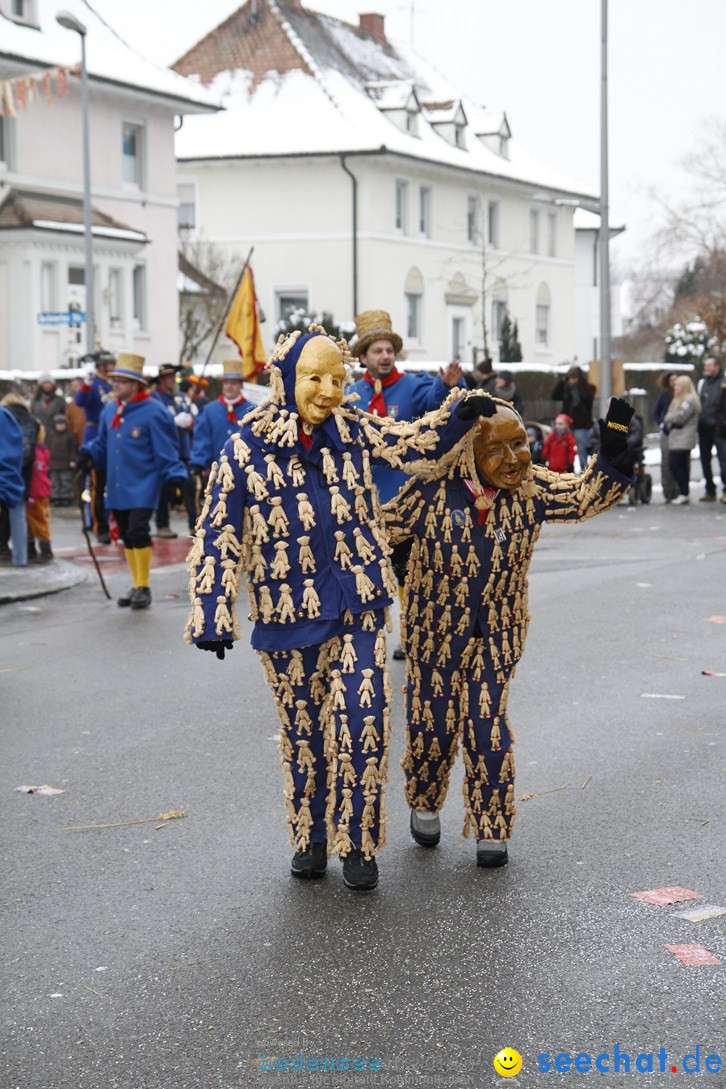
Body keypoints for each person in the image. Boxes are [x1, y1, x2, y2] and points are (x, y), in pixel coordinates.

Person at [185, 324, 490, 892]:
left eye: (336, 378)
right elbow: (217, 532)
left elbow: (411, 445)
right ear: (283, 379)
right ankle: (311, 837)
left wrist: (458, 415)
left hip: (361, 604)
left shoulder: (352, 429)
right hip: (287, 615)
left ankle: (358, 842)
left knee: (362, 722)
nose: (328, 391)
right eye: (313, 379)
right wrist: (211, 609)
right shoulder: (244, 447)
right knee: (305, 735)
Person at [382, 397, 635, 868]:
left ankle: (491, 826)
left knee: (486, 725)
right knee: (433, 724)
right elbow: (377, 531)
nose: (514, 459)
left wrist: (614, 454)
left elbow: (581, 497)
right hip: (435, 630)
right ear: (468, 453)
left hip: (498, 629)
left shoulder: (532, 488)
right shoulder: (431, 491)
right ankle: (424, 797)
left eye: (520, 444)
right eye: (496, 449)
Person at [78, 352, 188, 609]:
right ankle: (136, 583)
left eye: (123, 381)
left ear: (136, 384)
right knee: (127, 534)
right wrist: (88, 452)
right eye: (115, 380)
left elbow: (166, 449)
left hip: (144, 484)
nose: (116, 385)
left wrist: (174, 478)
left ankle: (144, 586)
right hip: (118, 485)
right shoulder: (109, 409)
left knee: (138, 530)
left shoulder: (155, 411)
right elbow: (104, 443)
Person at [347, 310, 464, 504]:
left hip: (406, 493)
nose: (385, 356)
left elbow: (436, 407)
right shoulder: (350, 394)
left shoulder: (411, 384)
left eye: (389, 351)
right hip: (362, 495)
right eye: (377, 351)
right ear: (364, 358)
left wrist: (446, 386)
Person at [151, 363, 197, 537]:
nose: (172, 380)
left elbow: (194, 419)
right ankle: (162, 525)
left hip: (183, 449)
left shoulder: (181, 397)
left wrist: (190, 420)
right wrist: (173, 421)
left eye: (173, 377)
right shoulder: (155, 398)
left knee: (190, 488)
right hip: (165, 451)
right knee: (166, 489)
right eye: (168, 377)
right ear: (161, 380)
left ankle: (195, 524)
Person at [75, 351, 115, 544]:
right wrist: (86, 384)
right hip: (96, 435)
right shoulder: (95, 383)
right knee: (97, 485)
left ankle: (115, 523)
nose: (113, 366)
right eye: (110, 364)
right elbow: (80, 402)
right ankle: (99, 525)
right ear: (101, 366)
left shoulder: (113, 383)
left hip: (114, 436)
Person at [189, 360, 255, 475]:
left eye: (233, 383)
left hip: (247, 472)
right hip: (217, 472)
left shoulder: (253, 410)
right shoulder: (208, 411)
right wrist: (198, 464)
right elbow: (202, 440)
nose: (229, 386)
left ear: (241, 385)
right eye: (226, 383)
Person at [663, 375, 700, 506]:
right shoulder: (678, 400)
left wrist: (669, 418)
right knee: (681, 466)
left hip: (683, 438)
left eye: (678, 385)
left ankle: (684, 492)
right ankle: (684, 492)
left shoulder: (688, 400)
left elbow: (679, 417)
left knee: (675, 464)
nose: (675, 387)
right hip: (678, 438)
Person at [552, 365, 596, 471]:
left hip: (581, 425)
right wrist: (562, 382)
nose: (572, 380)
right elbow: (554, 395)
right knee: (564, 448)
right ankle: (568, 470)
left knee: (582, 449)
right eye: (570, 378)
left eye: (575, 378)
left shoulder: (586, 389)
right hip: (566, 424)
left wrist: (580, 385)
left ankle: (584, 471)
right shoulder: (566, 389)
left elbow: (588, 396)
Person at [696, 355, 726, 503]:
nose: (706, 368)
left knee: (723, 460)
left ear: (717, 366)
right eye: (705, 365)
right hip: (703, 428)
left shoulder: (724, 383)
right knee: (704, 460)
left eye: (709, 365)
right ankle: (710, 490)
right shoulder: (702, 384)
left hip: (719, 429)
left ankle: (725, 490)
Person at [0, 404, 27, 567]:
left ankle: (20, 561)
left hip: (6, 482)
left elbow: (9, 455)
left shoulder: (3, 416)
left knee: (16, 518)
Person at [26, 433, 53, 564]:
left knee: (38, 522)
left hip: (36, 493)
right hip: (42, 490)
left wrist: (30, 493)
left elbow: (35, 476)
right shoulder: (43, 450)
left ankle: (44, 550)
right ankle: (34, 550)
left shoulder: (33, 452)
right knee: (33, 523)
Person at [653, 372, 679, 503]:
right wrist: (662, 425)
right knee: (666, 462)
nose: (675, 382)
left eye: (677, 379)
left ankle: (679, 490)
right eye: (672, 380)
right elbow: (656, 413)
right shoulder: (664, 395)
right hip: (667, 433)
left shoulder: (684, 396)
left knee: (679, 462)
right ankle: (668, 492)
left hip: (680, 434)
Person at [46, 413, 77, 506]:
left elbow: (72, 449)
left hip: (65, 462)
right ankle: (55, 497)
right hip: (53, 462)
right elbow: (47, 448)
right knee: (54, 481)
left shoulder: (69, 435)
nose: (60, 426)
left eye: (62, 424)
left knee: (65, 481)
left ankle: (66, 498)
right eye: (58, 424)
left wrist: (72, 460)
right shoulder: (51, 435)